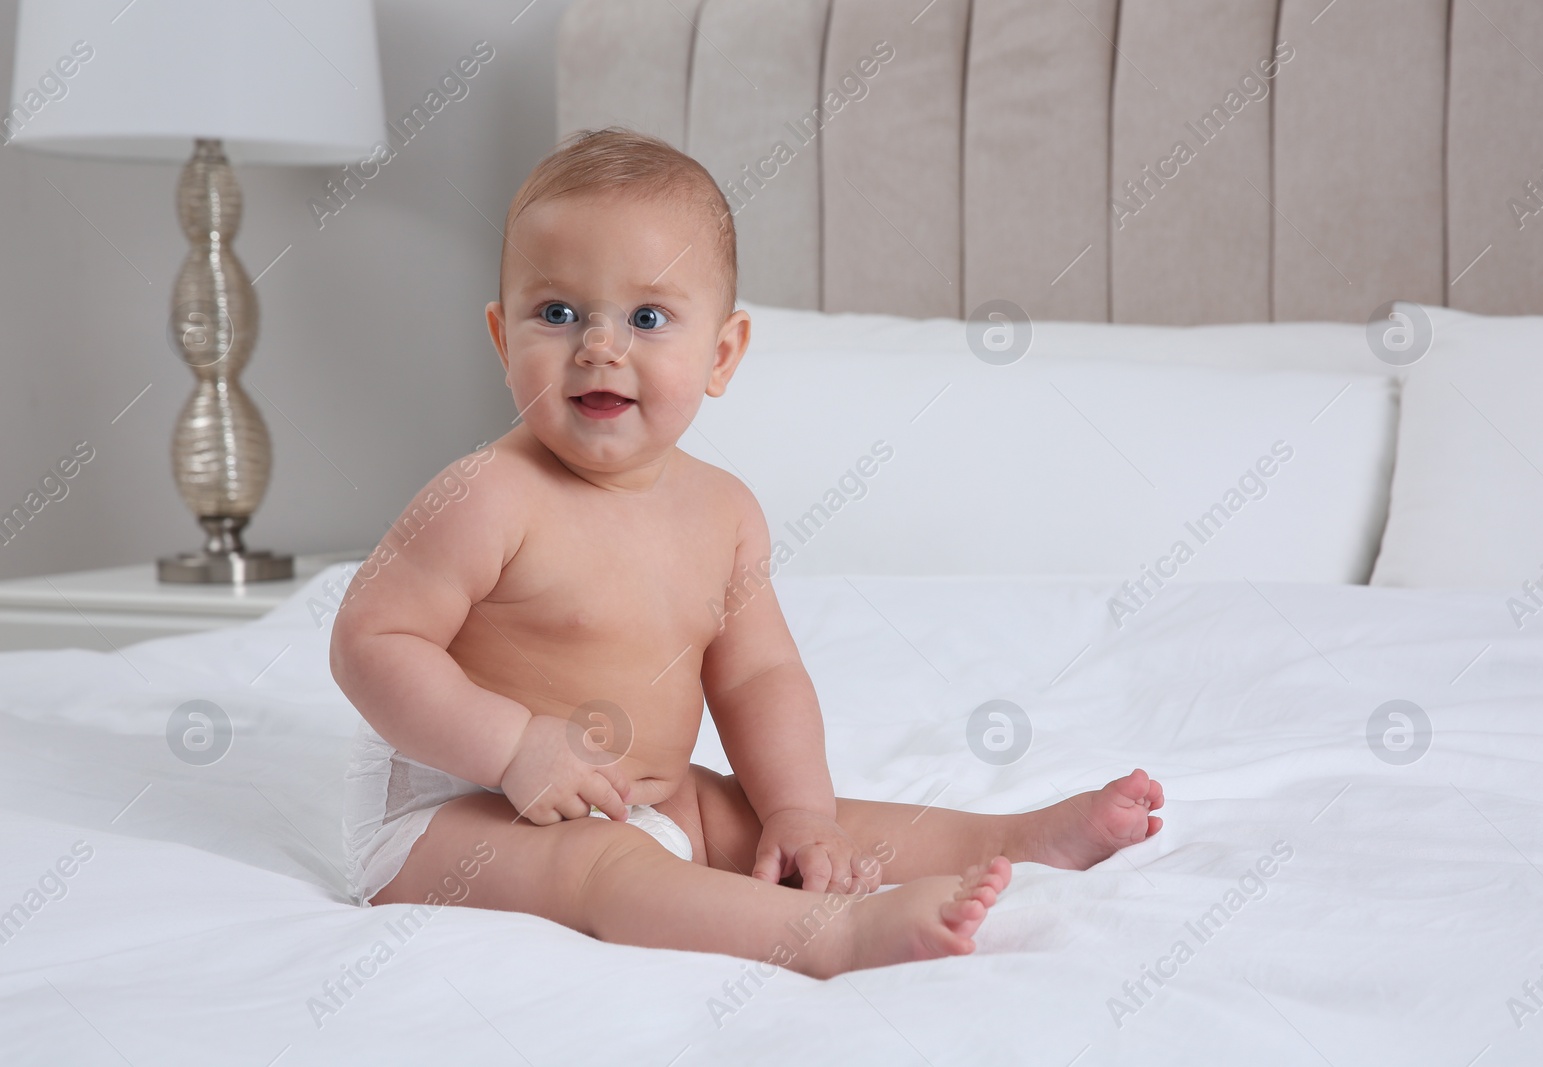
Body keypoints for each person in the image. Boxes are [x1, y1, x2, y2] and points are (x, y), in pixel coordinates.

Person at [332, 128, 1163, 978]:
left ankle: (1015, 839)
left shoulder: (723, 512)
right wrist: (511, 747)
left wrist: (799, 811)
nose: (599, 346)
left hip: (641, 793)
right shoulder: (485, 496)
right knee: (601, 869)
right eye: (558, 313)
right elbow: (370, 642)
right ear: (504, 340)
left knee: (780, 821)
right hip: (452, 812)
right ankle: (833, 937)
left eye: (647, 318)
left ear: (721, 353)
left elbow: (758, 676)